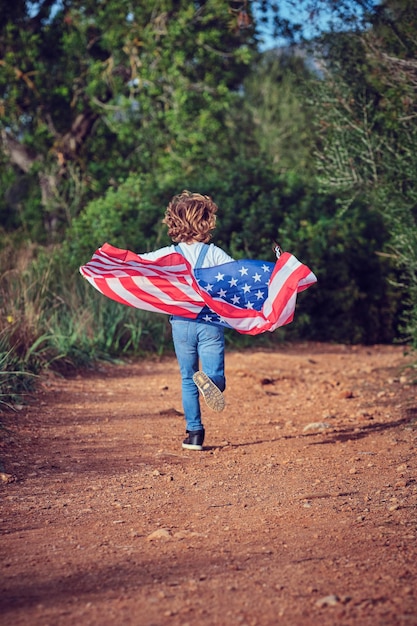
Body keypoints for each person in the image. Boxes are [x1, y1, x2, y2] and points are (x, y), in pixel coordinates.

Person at [136, 190, 235, 451]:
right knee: (214, 374)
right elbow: (238, 276)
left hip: (181, 324)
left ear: (174, 222)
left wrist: (111, 263)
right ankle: (212, 383)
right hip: (210, 323)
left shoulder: (168, 253)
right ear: (206, 221)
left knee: (187, 377)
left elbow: (140, 263)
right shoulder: (214, 254)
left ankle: (194, 434)